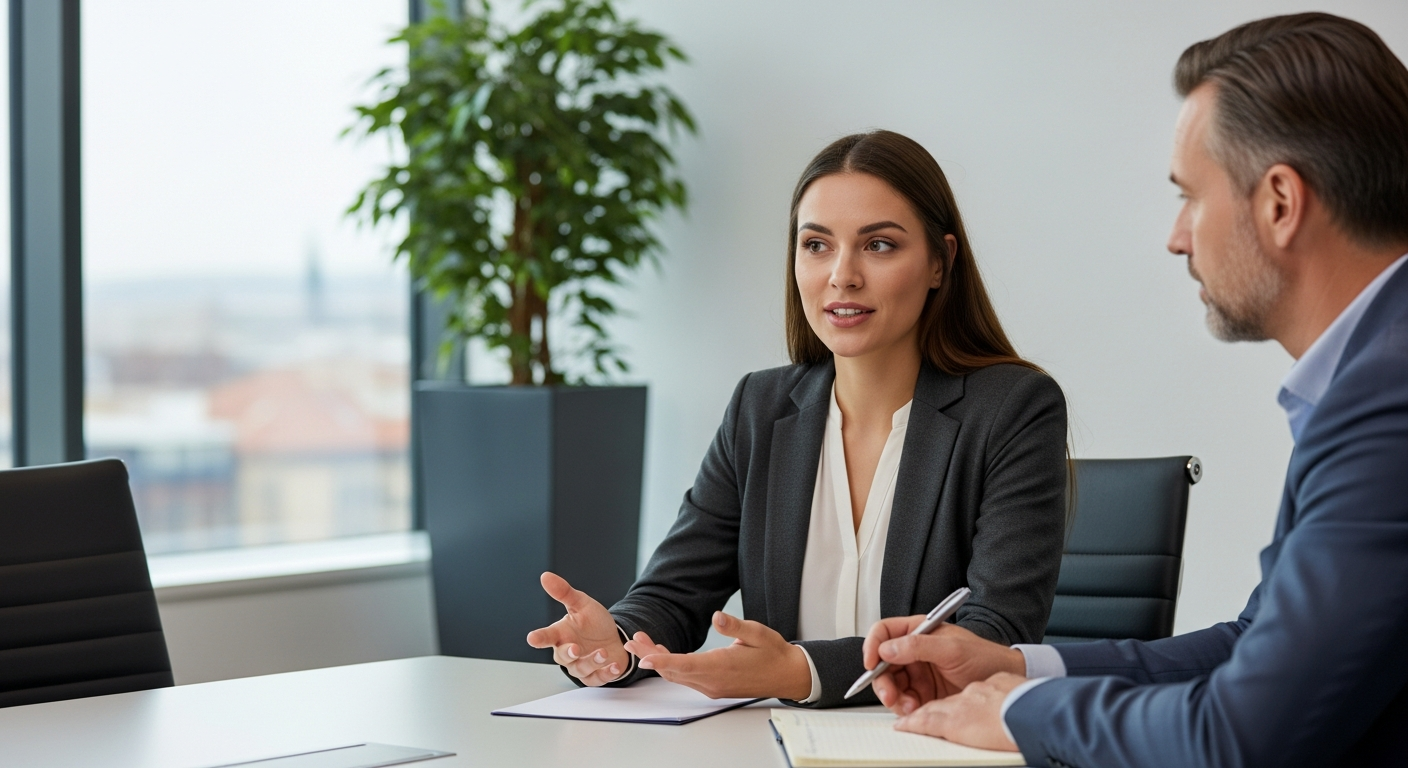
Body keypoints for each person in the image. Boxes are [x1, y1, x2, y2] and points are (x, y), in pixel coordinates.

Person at [860, 12, 1408, 766]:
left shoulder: (1387, 402)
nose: (1176, 236)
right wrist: (1017, 667)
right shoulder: (1373, 372)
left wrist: (1026, 712)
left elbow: (1237, 737)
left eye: (1190, 195)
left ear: (1279, 202)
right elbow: (1257, 646)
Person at [524, 130, 1069, 707]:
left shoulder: (1013, 409)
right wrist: (616, 641)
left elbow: (996, 636)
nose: (842, 275)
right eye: (816, 245)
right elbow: (674, 594)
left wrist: (800, 671)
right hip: (778, 748)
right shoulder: (761, 410)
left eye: (879, 245)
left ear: (940, 261)